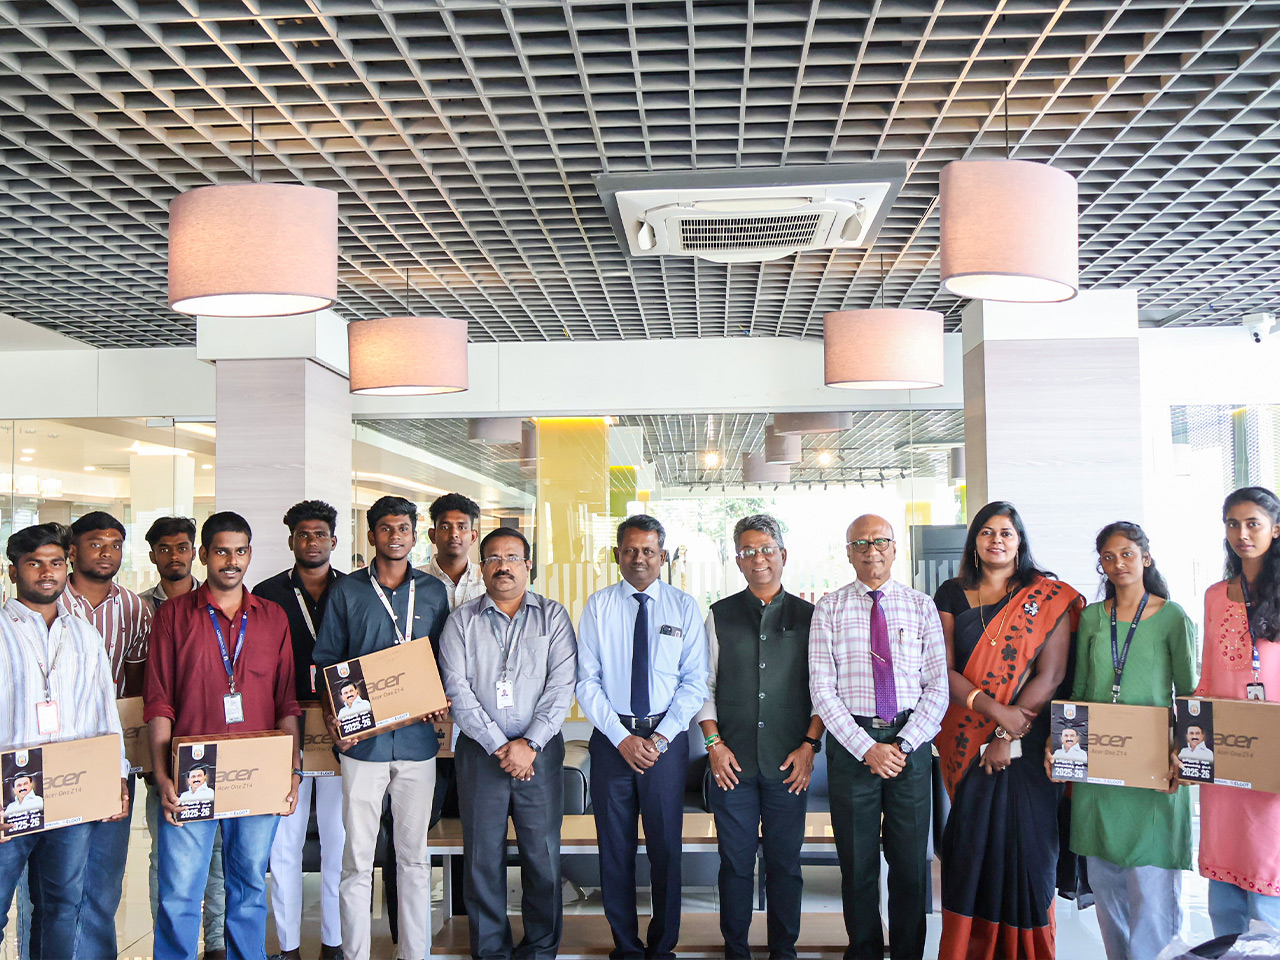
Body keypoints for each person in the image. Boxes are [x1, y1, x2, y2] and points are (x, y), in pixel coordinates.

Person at [144, 511, 304, 960]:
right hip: (192, 771)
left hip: (258, 771)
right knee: (180, 890)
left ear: (249, 554)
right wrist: (162, 776)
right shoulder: (173, 616)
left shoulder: (272, 617)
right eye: (221, 552)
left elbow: (286, 702)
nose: (231, 561)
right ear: (204, 555)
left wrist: (293, 771)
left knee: (248, 885)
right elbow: (159, 703)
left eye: (240, 552)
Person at [933, 501, 1083, 959]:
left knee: (1029, 852)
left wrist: (1005, 736)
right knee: (970, 852)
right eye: (987, 532)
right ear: (974, 541)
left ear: (1019, 541)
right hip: (968, 738)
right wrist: (995, 713)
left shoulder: (1047, 595)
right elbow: (944, 669)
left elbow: (1051, 676)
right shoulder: (951, 593)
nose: (996, 540)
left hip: (1029, 742)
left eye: (1006, 533)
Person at [312, 495, 451, 960]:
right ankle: (355, 955)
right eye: (386, 528)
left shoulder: (433, 592)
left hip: (417, 744)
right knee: (357, 861)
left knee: (414, 859)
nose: (395, 536)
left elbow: (443, 660)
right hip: (362, 747)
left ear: (414, 535)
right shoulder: (347, 592)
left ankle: (416, 954)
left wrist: (439, 698)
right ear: (371, 535)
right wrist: (334, 719)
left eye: (403, 528)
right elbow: (327, 663)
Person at [809, 514, 946, 960]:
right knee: (858, 865)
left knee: (910, 867)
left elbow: (938, 688)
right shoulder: (829, 608)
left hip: (910, 744)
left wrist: (902, 745)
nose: (872, 550)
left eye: (880, 541)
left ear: (894, 549)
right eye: (861, 544)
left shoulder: (921, 606)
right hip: (853, 746)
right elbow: (821, 689)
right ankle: (863, 951)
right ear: (848, 553)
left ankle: (908, 953)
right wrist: (867, 747)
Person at [438, 526, 577, 960]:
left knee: (543, 856)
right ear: (482, 568)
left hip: (541, 754)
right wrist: (502, 746)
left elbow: (562, 686)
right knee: (482, 858)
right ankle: (491, 951)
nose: (504, 566)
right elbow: (456, 689)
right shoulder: (461, 621)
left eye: (513, 557)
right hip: (481, 755)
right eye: (494, 558)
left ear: (528, 565)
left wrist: (529, 744)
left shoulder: (553, 617)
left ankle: (540, 949)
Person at [1059, 521, 1195, 960]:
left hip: (1154, 766)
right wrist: (1062, 750)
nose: (1118, 563)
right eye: (1108, 557)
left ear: (1146, 558)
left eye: (1127, 554)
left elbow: (1189, 695)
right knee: (1106, 886)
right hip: (1101, 763)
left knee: (1152, 891)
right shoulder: (1093, 618)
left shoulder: (1173, 617)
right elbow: (1080, 691)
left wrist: (1184, 755)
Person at [576, 515, 709, 960]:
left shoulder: (683, 607)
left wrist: (662, 738)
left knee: (666, 847)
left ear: (663, 556)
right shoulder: (599, 606)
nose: (639, 558)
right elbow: (586, 681)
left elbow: (695, 681)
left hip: (665, 742)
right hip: (612, 739)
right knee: (614, 849)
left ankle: (662, 947)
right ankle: (627, 948)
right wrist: (621, 738)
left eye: (648, 551)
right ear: (617, 554)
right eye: (630, 550)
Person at [695, 514, 822, 960]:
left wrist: (810, 746)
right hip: (732, 765)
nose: (758, 558)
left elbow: (823, 690)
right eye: (748, 551)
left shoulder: (811, 617)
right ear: (738, 560)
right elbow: (703, 686)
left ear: (783, 555)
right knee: (734, 863)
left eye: (766, 549)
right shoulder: (719, 615)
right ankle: (736, 950)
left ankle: (783, 951)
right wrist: (713, 746)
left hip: (790, 763)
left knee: (785, 865)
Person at [0, 523, 129, 960]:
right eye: (34, 563)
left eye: (55, 563)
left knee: (61, 908)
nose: (47, 573)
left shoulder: (83, 635)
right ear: (13, 571)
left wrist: (116, 777)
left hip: (71, 793)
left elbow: (103, 712)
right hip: (7, 796)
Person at [45, 511, 152, 960]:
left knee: (104, 879)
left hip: (109, 753)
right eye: (95, 544)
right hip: (55, 752)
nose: (107, 553)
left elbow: (135, 683)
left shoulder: (134, 608)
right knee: (52, 883)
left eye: (115, 544)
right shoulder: (50, 601)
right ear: (72, 551)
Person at [253, 500, 346, 960]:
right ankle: (287, 947)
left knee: (338, 841)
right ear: (291, 540)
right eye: (303, 535)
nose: (312, 542)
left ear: (334, 540)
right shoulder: (266, 594)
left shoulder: (353, 589)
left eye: (320, 534)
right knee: (284, 844)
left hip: (338, 728)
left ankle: (334, 942)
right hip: (284, 726)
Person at [1188, 486, 1280, 935]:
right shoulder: (1214, 596)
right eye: (1233, 524)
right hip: (1225, 749)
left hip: (1273, 753)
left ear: (1275, 529)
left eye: (1253, 524)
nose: (1242, 534)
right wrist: (1189, 744)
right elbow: (1207, 677)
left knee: (1268, 877)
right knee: (1224, 887)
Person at [141, 515, 226, 960]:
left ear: (196, 552)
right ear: (152, 554)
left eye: (181, 547)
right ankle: (172, 943)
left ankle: (217, 943)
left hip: (215, 744)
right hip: (162, 748)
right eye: (164, 548)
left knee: (218, 858)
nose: (174, 556)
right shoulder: (140, 608)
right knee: (167, 858)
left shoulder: (220, 602)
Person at [424, 492, 486, 609]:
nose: (454, 534)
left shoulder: (487, 579)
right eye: (445, 527)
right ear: (432, 535)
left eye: (461, 527)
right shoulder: (414, 581)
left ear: (473, 537)